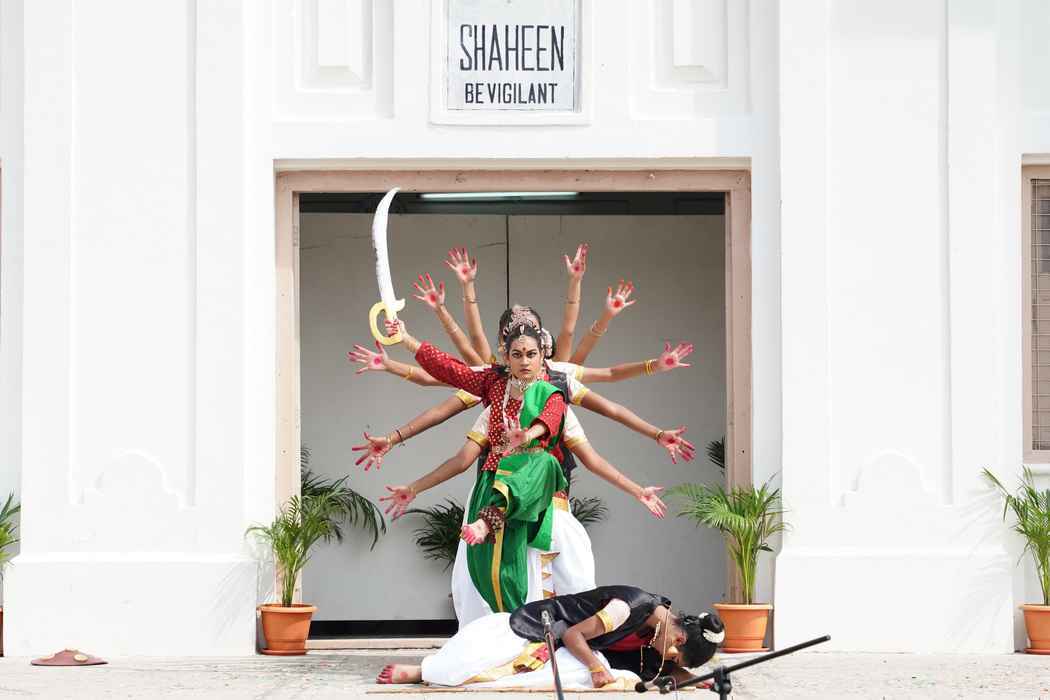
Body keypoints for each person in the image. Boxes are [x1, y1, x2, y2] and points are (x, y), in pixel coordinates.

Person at [376, 585, 725, 689]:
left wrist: (693, 679)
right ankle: (422, 670)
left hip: (571, 646)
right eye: (674, 656)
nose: (667, 658)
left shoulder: (658, 624)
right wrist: (595, 668)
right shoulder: (628, 608)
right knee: (471, 667)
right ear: (679, 639)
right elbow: (573, 634)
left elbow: (649, 662)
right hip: (543, 631)